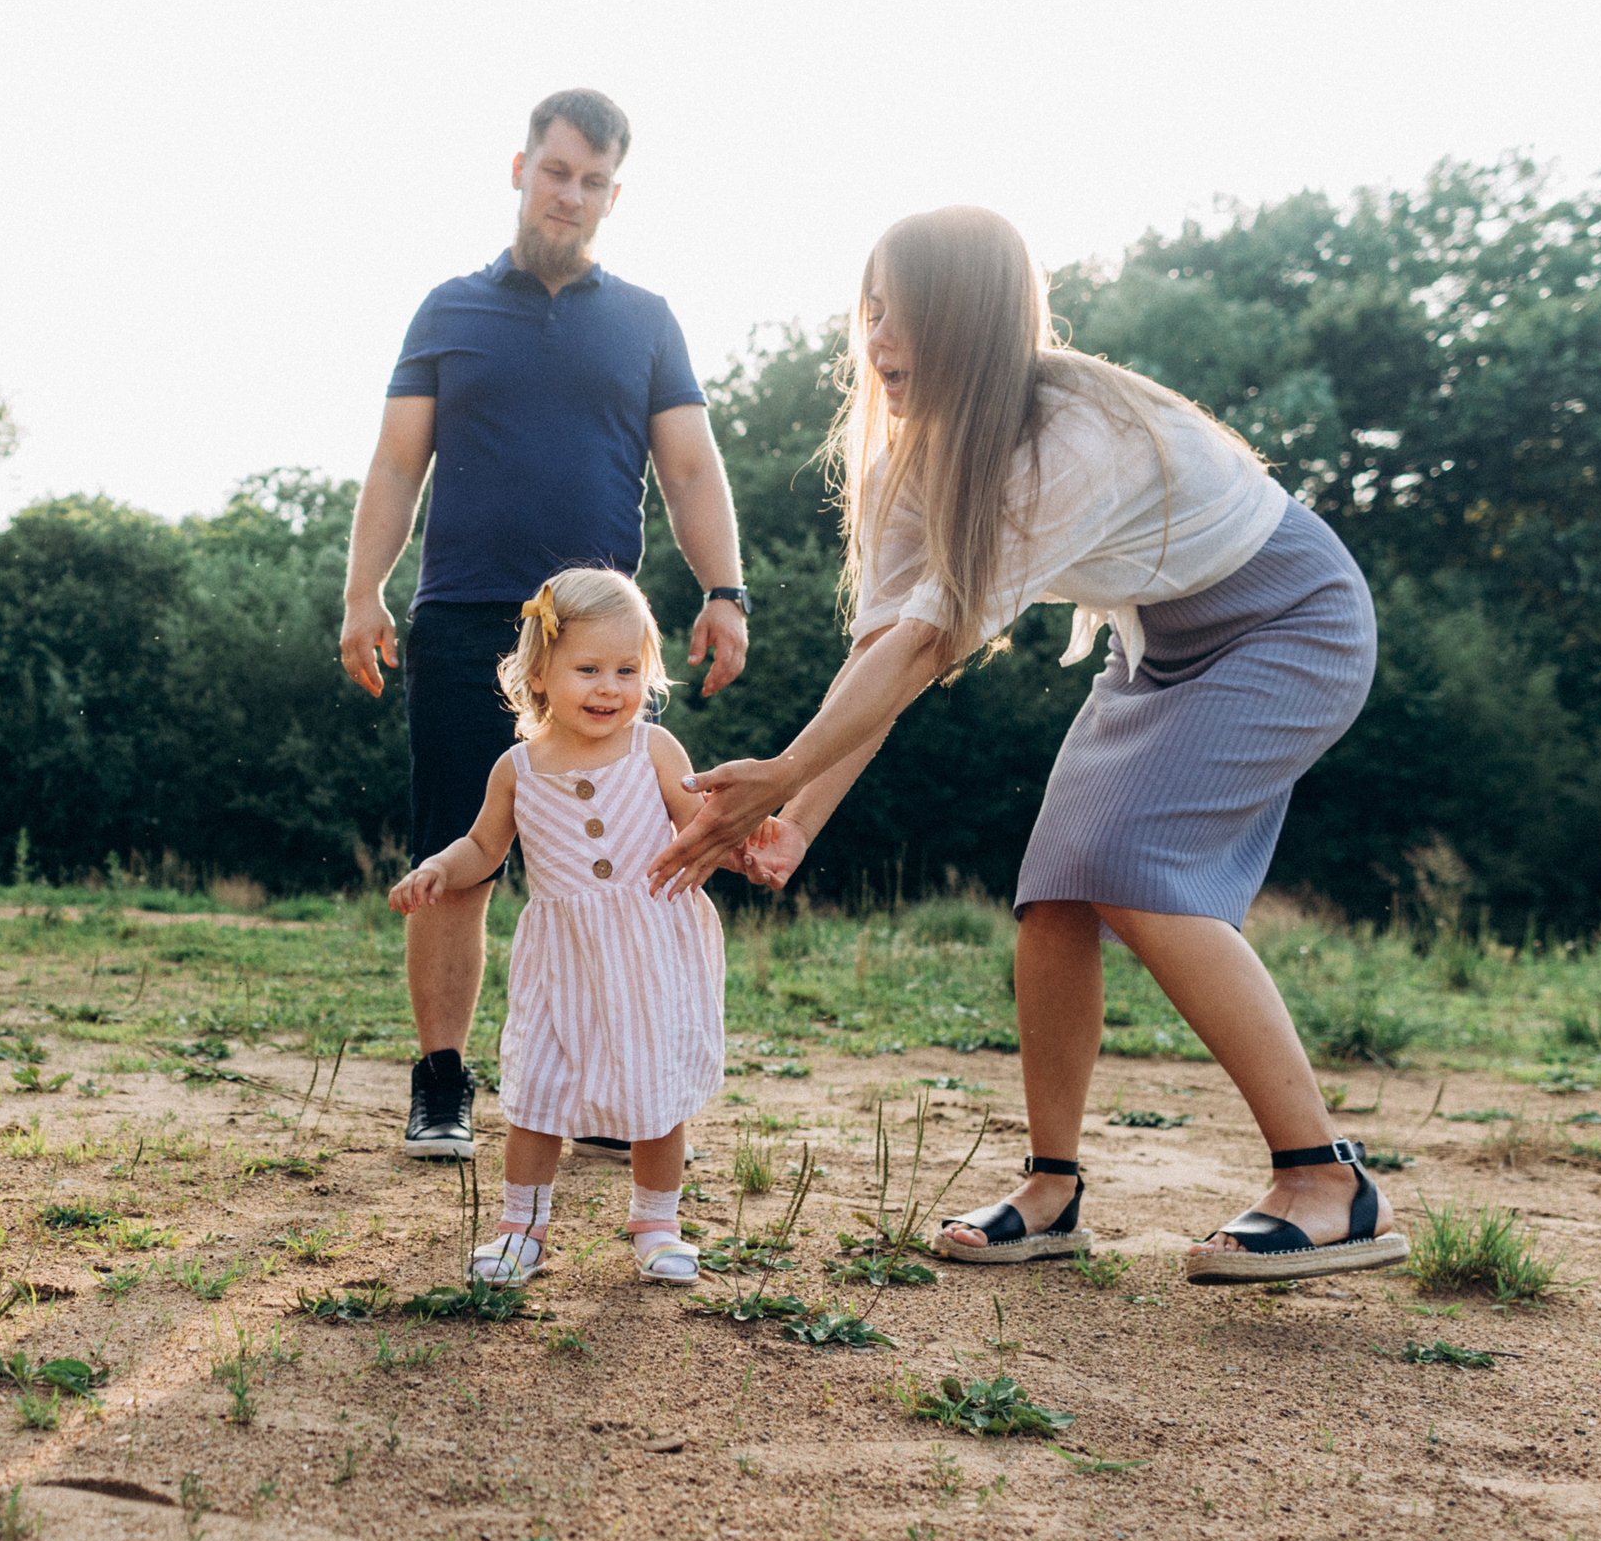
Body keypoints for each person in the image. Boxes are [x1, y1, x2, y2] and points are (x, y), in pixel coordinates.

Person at [650, 206, 1409, 1287]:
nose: (877, 341)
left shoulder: (1068, 439)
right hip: (1161, 643)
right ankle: (1051, 1189)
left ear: (971, 321)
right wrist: (792, 820)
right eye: (869, 313)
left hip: (1291, 623)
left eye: (903, 317)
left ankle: (1328, 1182)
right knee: (1057, 888)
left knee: (1130, 868)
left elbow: (925, 650)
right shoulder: (911, 465)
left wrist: (777, 775)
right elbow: (876, 659)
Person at [341, 87, 748, 1165]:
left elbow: (692, 465)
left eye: (594, 180)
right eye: (557, 170)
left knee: (622, 867)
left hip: (602, 644)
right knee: (460, 856)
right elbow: (394, 463)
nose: (572, 193)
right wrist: (360, 593)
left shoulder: (647, 321)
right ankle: (441, 1083)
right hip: (466, 618)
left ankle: (621, 1089)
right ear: (518, 167)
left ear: (616, 194)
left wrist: (725, 590)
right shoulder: (446, 310)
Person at [389, 570, 724, 1282]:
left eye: (627, 670)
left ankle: (658, 1221)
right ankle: (522, 1228)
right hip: (560, 960)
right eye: (589, 669)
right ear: (538, 674)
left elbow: (703, 829)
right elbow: (483, 846)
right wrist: (438, 869)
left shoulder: (654, 752)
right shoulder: (518, 768)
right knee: (537, 1093)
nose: (609, 687)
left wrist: (741, 844)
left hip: (647, 950)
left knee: (654, 1092)